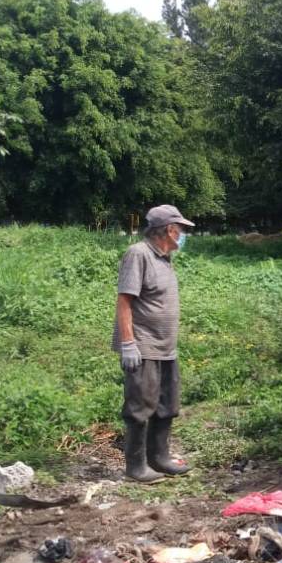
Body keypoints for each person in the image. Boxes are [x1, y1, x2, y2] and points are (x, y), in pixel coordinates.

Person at [113, 205, 194, 483]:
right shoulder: (139, 254)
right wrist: (128, 343)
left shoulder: (164, 258)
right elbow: (125, 301)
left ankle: (159, 458)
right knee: (140, 406)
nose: (183, 235)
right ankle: (136, 467)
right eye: (180, 230)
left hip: (166, 347)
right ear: (169, 230)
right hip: (144, 346)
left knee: (167, 404)